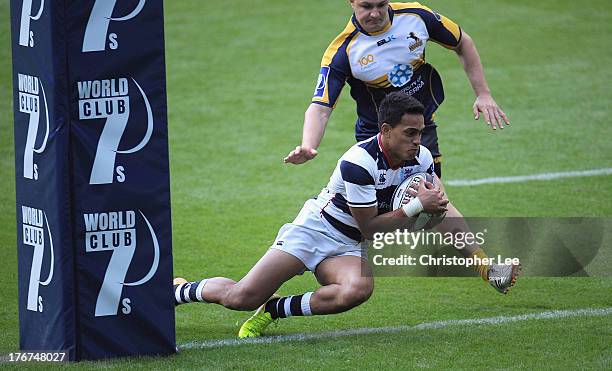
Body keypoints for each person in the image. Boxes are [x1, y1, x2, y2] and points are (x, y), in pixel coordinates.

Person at [174, 93, 519, 339]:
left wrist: (485, 266)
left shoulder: (422, 158)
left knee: (357, 290)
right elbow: (372, 226)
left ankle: (274, 310)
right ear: (385, 131)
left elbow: (443, 214)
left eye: (421, 132)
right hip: (316, 230)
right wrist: (417, 208)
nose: (418, 140)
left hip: (350, 244)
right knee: (240, 297)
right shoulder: (359, 162)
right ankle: (179, 289)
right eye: (409, 133)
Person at [284, 0, 509, 178]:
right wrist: (308, 145)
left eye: (381, 4)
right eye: (366, 6)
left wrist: (483, 93)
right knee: (378, 214)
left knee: (433, 202)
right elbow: (321, 108)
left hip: (419, 128)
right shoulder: (342, 52)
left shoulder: (416, 17)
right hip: (378, 136)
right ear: (351, 2)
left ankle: (460, 237)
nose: (375, 13)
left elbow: (462, 42)